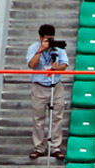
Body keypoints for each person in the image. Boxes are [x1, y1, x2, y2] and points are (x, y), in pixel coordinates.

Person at [27, 24, 69, 160]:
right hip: (39, 86)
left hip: (55, 85)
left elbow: (64, 66)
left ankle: (55, 147)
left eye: (51, 38)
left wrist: (57, 68)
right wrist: (41, 50)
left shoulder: (58, 47)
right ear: (40, 37)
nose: (49, 41)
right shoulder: (33, 48)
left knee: (57, 117)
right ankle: (39, 147)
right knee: (38, 118)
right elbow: (32, 65)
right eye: (46, 39)